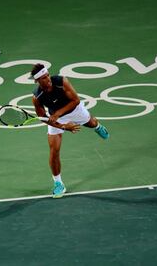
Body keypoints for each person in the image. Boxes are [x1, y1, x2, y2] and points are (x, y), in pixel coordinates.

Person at [31, 63, 109, 198]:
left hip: (74, 110)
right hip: (57, 118)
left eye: (48, 75)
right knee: (54, 150)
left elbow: (75, 100)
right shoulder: (37, 97)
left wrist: (58, 114)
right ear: (37, 81)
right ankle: (58, 184)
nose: (48, 79)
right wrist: (63, 126)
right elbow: (43, 118)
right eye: (43, 78)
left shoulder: (62, 81)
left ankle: (98, 127)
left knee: (91, 123)